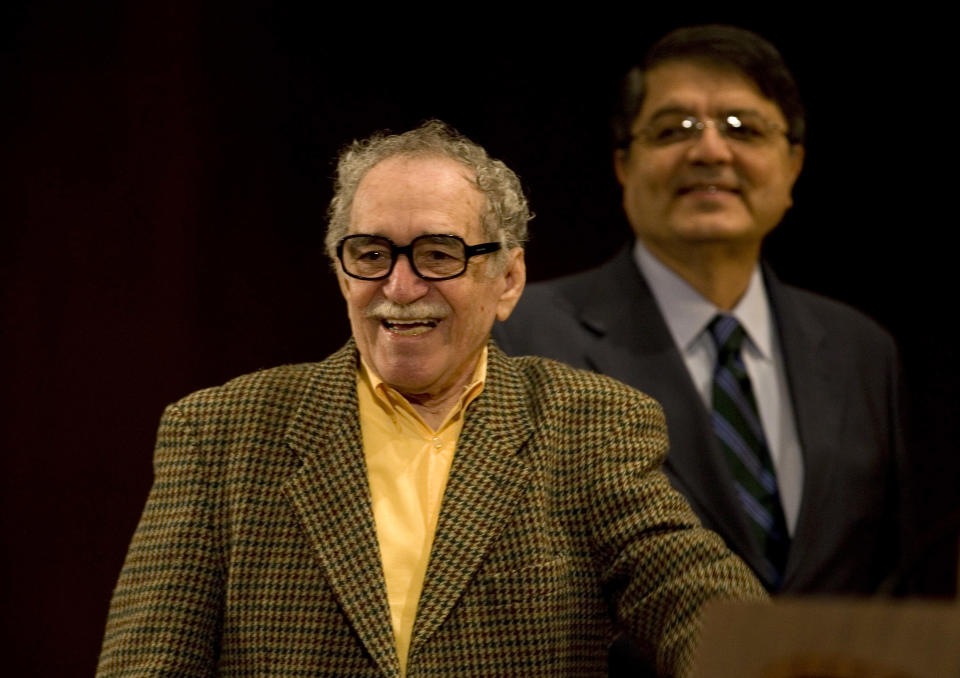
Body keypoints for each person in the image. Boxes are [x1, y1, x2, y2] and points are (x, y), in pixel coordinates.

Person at [96, 120, 766, 678]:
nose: (402, 285)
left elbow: (688, 594)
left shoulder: (589, 424)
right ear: (339, 270)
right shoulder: (221, 432)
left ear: (508, 279)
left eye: (439, 255)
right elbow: (147, 664)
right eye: (371, 253)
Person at [494, 25, 908, 597]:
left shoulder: (861, 349)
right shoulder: (522, 332)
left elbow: (885, 575)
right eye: (673, 129)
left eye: (744, 127)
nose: (711, 151)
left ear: (793, 164)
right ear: (623, 165)